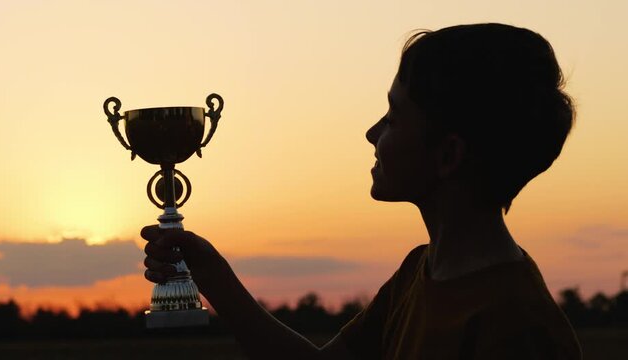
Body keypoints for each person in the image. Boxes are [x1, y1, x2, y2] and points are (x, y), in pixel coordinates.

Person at [141, 23, 583, 359]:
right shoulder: (419, 272)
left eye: (392, 117)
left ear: (448, 155)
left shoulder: (519, 324)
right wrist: (211, 275)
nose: (372, 133)